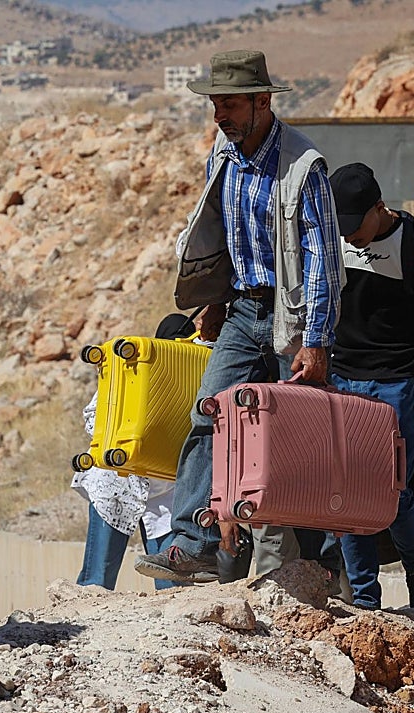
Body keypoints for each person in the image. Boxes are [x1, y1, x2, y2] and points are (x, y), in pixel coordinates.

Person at [134, 49, 344, 585]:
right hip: (243, 311)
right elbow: (225, 239)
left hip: (292, 319)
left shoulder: (304, 167)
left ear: (262, 102)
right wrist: (213, 300)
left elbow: (322, 260)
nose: (219, 115)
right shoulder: (222, 156)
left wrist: (316, 339)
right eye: (215, 104)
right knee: (209, 414)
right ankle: (195, 543)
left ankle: (320, 565)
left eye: (229, 104)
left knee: (297, 440)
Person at [325, 162, 414, 610]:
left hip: (397, 383)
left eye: (356, 226)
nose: (350, 236)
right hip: (343, 378)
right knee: (348, 490)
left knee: (393, 487)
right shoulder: (334, 241)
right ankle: (364, 598)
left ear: (379, 208)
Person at [73, 313, 199, 590]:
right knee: (97, 582)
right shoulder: (132, 370)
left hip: (166, 495)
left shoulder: (195, 375)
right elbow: (93, 417)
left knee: (172, 584)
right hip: (116, 487)